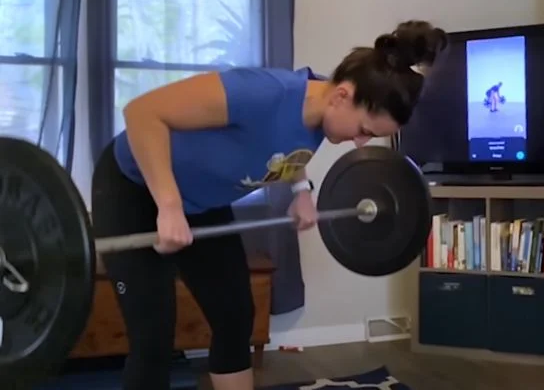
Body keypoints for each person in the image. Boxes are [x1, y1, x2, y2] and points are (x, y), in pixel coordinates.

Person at [90, 20, 448, 390]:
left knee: (235, 316)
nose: (360, 143)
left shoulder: (323, 111)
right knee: (153, 335)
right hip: (132, 188)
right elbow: (141, 113)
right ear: (343, 95)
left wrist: (301, 191)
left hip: (201, 202)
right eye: (365, 130)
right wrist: (168, 205)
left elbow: (285, 145)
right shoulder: (261, 93)